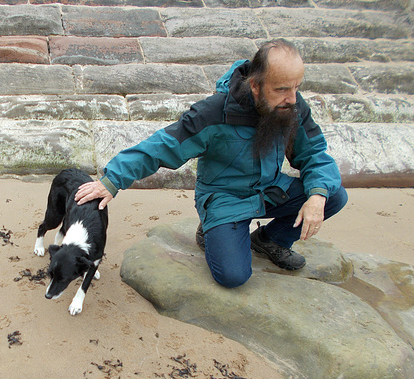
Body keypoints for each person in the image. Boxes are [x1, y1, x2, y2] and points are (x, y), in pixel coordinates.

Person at [75, 39, 348, 288]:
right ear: (255, 86)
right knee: (233, 276)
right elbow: (161, 146)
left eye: (296, 87)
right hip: (224, 199)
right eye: (281, 89)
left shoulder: (290, 105)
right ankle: (210, 228)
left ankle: (270, 239)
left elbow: (315, 153)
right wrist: (112, 181)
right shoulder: (213, 113)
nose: (292, 98)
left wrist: (317, 195)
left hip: (269, 190)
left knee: (332, 195)